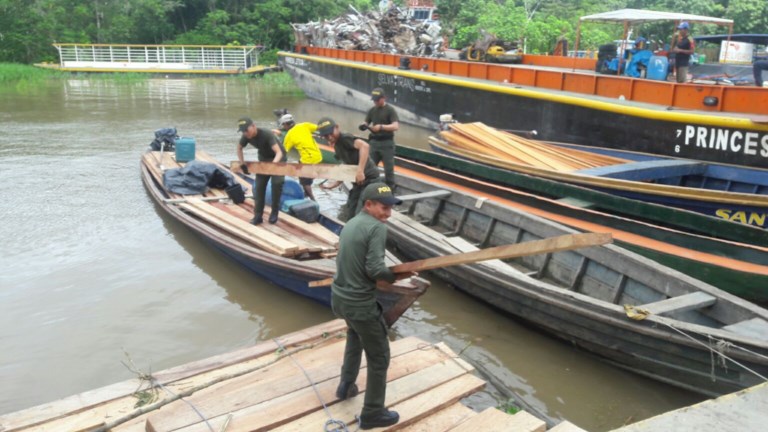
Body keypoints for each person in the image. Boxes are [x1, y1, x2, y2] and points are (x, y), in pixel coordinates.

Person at [331, 182, 413, 430]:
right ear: (368, 204)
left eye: (391, 208)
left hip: (339, 299)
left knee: (354, 336)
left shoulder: (351, 224)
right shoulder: (376, 228)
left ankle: (346, 386)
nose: (388, 214)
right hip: (359, 304)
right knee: (379, 358)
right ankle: (373, 413)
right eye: (383, 208)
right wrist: (396, 276)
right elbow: (376, 269)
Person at [316, 117, 380, 219]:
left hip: (369, 179)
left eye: (330, 133)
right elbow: (346, 164)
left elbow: (364, 146)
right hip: (358, 183)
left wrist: (360, 171)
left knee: (361, 212)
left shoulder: (344, 138)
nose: (329, 137)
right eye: (325, 136)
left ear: (337, 127)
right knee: (350, 210)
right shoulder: (337, 146)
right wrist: (335, 183)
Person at [236, 117, 286, 225]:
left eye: (247, 130)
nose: (245, 133)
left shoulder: (266, 134)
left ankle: (274, 212)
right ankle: (258, 216)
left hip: (278, 159)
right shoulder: (246, 136)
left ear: (253, 126)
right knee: (259, 187)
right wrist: (242, 163)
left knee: (277, 183)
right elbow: (239, 148)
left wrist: (272, 167)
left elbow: (279, 153)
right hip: (263, 159)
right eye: (243, 131)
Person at [277, 113, 322, 201]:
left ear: (286, 124)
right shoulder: (305, 125)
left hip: (308, 160)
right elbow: (319, 127)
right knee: (307, 177)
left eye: (283, 125)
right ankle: (306, 193)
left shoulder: (289, 135)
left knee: (304, 181)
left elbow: (283, 151)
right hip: (318, 157)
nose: (283, 127)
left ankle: (313, 199)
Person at [361, 88, 399, 189]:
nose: (376, 102)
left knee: (388, 170)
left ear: (384, 98)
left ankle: (390, 189)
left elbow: (395, 126)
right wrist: (364, 125)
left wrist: (381, 127)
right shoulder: (372, 110)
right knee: (370, 167)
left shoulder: (390, 110)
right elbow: (367, 122)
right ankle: (368, 187)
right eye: (374, 100)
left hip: (387, 143)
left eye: (378, 100)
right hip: (374, 143)